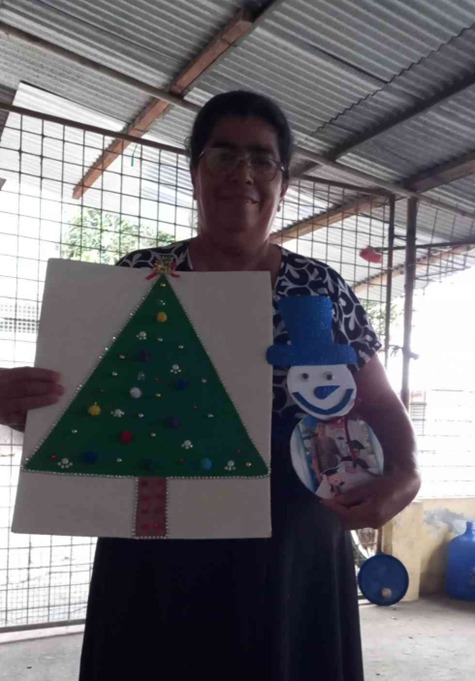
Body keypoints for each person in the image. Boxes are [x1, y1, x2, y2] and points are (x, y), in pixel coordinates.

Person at [0, 91, 420, 681]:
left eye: (262, 159)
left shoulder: (321, 288)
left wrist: (406, 475)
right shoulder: (139, 277)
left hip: (292, 549)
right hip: (156, 541)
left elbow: (379, 404)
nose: (242, 174)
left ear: (282, 181)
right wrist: (26, 403)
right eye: (223, 155)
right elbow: (81, 405)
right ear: (195, 172)